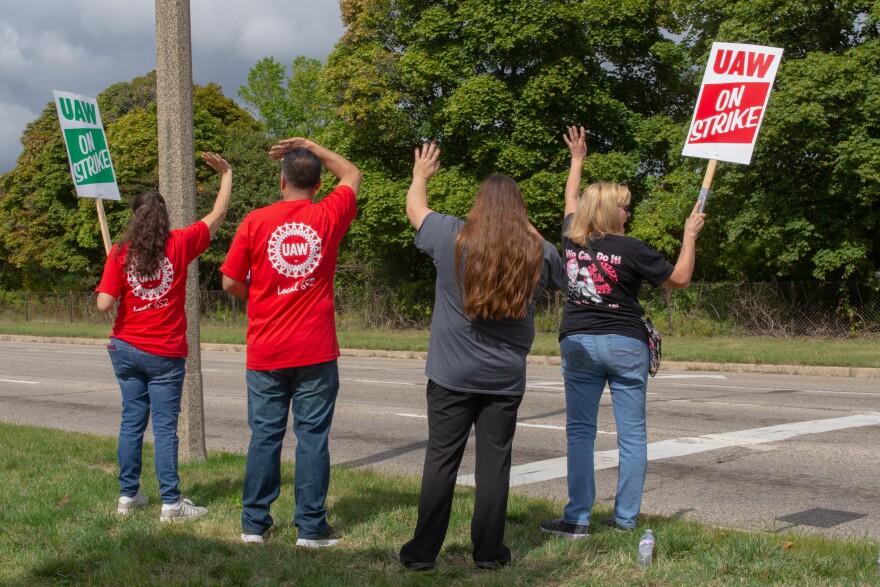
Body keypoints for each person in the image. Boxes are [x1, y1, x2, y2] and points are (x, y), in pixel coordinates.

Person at [398, 143, 565, 570]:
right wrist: (526, 228)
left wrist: (421, 175)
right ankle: (489, 554)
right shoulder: (537, 252)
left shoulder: (452, 235)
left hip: (451, 375)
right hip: (504, 381)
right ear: (521, 211)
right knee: (494, 467)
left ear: (478, 205)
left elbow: (416, 209)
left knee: (441, 461)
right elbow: (562, 270)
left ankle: (421, 555)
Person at [540, 126, 705, 538]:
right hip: (626, 342)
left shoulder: (570, 238)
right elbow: (681, 278)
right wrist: (689, 236)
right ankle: (624, 521)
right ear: (612, 212)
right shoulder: (632, 249)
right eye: (625, 208)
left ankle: (577, 518)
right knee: (632, 436)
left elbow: (569, 199)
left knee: (580, 432)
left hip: (577, 341)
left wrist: (577, 159)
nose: (628, 214)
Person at [221, 138, 362, 547]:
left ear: (282, 182)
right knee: (312, 436)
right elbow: (352, 173)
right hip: (315, 349)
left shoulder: (255, 221)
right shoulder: (328, 214)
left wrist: (262, 295)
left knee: (265, 435)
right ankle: (311, 528)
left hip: (266, 349)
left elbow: (230, 280)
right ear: (318, 184)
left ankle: (254, 525)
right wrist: (309, 145)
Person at [96, 152, 233, 521]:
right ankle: (171, 503)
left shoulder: (121, 253)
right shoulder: (180, 243)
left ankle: (128, 496)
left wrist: (113, 272)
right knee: (165, 427)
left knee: (131, 421)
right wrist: (226, 176)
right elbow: (216, 216)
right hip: (165, 352)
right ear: (164, 217)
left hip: (125, 347)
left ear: (134, 217)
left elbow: (104, 304)